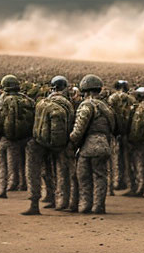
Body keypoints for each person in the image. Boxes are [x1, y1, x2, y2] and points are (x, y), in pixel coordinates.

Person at [23, 75, 76, 215]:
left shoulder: (42, 102)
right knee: (62, 172)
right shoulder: (68, 104)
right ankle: (63, 201)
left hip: (39, 142)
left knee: (35, 172)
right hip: (60, 144)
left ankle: (34, 202)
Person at [70, 75, 115, 214]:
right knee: (100, 176)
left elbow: (79, 129)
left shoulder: (87, 105)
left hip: (88, 147)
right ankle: (98, 206)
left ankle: (85, 205)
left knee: (83, 176)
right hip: (104, 145)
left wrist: (72, 141)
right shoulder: (106, 107)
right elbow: (113, 127)